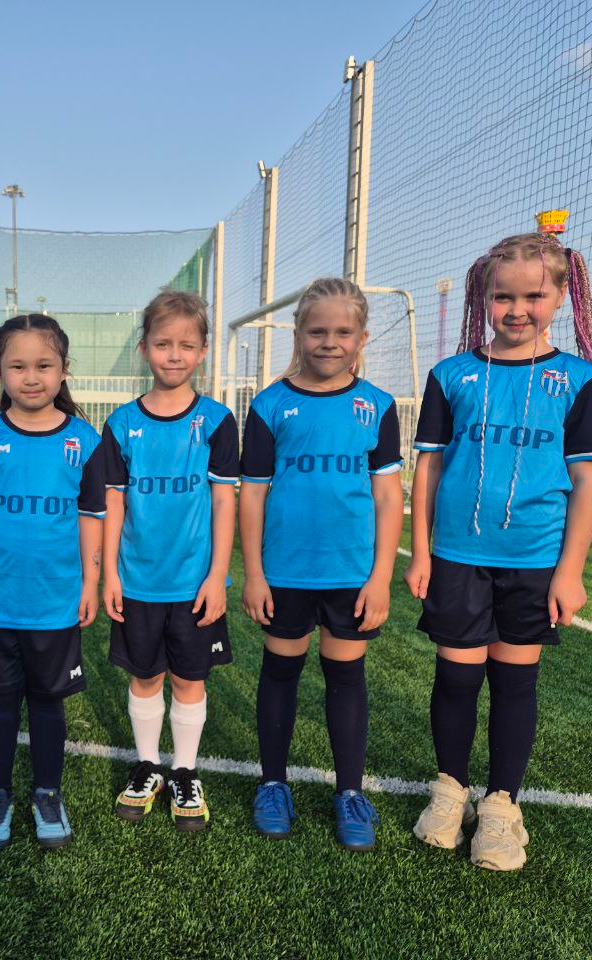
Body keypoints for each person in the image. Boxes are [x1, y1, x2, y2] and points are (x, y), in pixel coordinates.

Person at [404, 233, 592, 871]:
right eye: (503, 296)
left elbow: (587, 480)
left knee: (514, 682)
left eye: (533, 296)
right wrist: (420, 552)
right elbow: (428, 468)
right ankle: (449, 791)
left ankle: (500, 807)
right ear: (484, 297)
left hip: (535, 558)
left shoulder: (577, 380)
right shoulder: (452, 376)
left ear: (561, 296)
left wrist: (570, 572)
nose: (517, 309)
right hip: (458, 555)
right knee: (456, 677)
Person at [241, 277, 403, 851]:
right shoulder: (270, 405)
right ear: (298, 334)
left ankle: (350, 793)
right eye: (317, 331)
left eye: (342, 332)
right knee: (280, 672)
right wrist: (254, 573)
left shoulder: (377, 406)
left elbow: (388, 497)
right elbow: (252, 494)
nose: (329, 342)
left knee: (346, 676)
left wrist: (380, 577)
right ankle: (273, 785)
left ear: (361, 338)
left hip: (351, 573)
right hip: (285, 571)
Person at [0, 314, 105, 851]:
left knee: (47, 702)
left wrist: (90, 583)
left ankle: (47, 793)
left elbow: (91, 518)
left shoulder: (84, 440)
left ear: (64, 370)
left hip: (55, 601)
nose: (32, 377)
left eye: (44, 365)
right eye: (18, 366)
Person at [100, 290, 238, 832]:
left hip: (193, 582)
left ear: (202, 351)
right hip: (137, 580)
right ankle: (147, 767)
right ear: (144, 349)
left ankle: (184, 771)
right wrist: (110, 573)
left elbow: (224, 501)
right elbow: (113, 502)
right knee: (144, 677)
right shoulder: (121, 423)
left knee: (189, 680)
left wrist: (217, 576)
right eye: (162, 344)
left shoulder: (217, 421)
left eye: (185, 344)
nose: (173, 354)